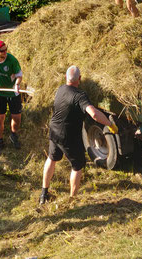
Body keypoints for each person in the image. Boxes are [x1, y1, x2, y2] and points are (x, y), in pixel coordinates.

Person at [39, 65, 118, 204]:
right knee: (77, 166)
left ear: (65, 78)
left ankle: (43, 194)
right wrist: (110, 124)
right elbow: (93, 114)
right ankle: (72, 200)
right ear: (80, 79)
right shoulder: (79, 96)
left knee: (51, 158)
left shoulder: (60, 89)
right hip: (68, 135)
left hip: (54, 130)